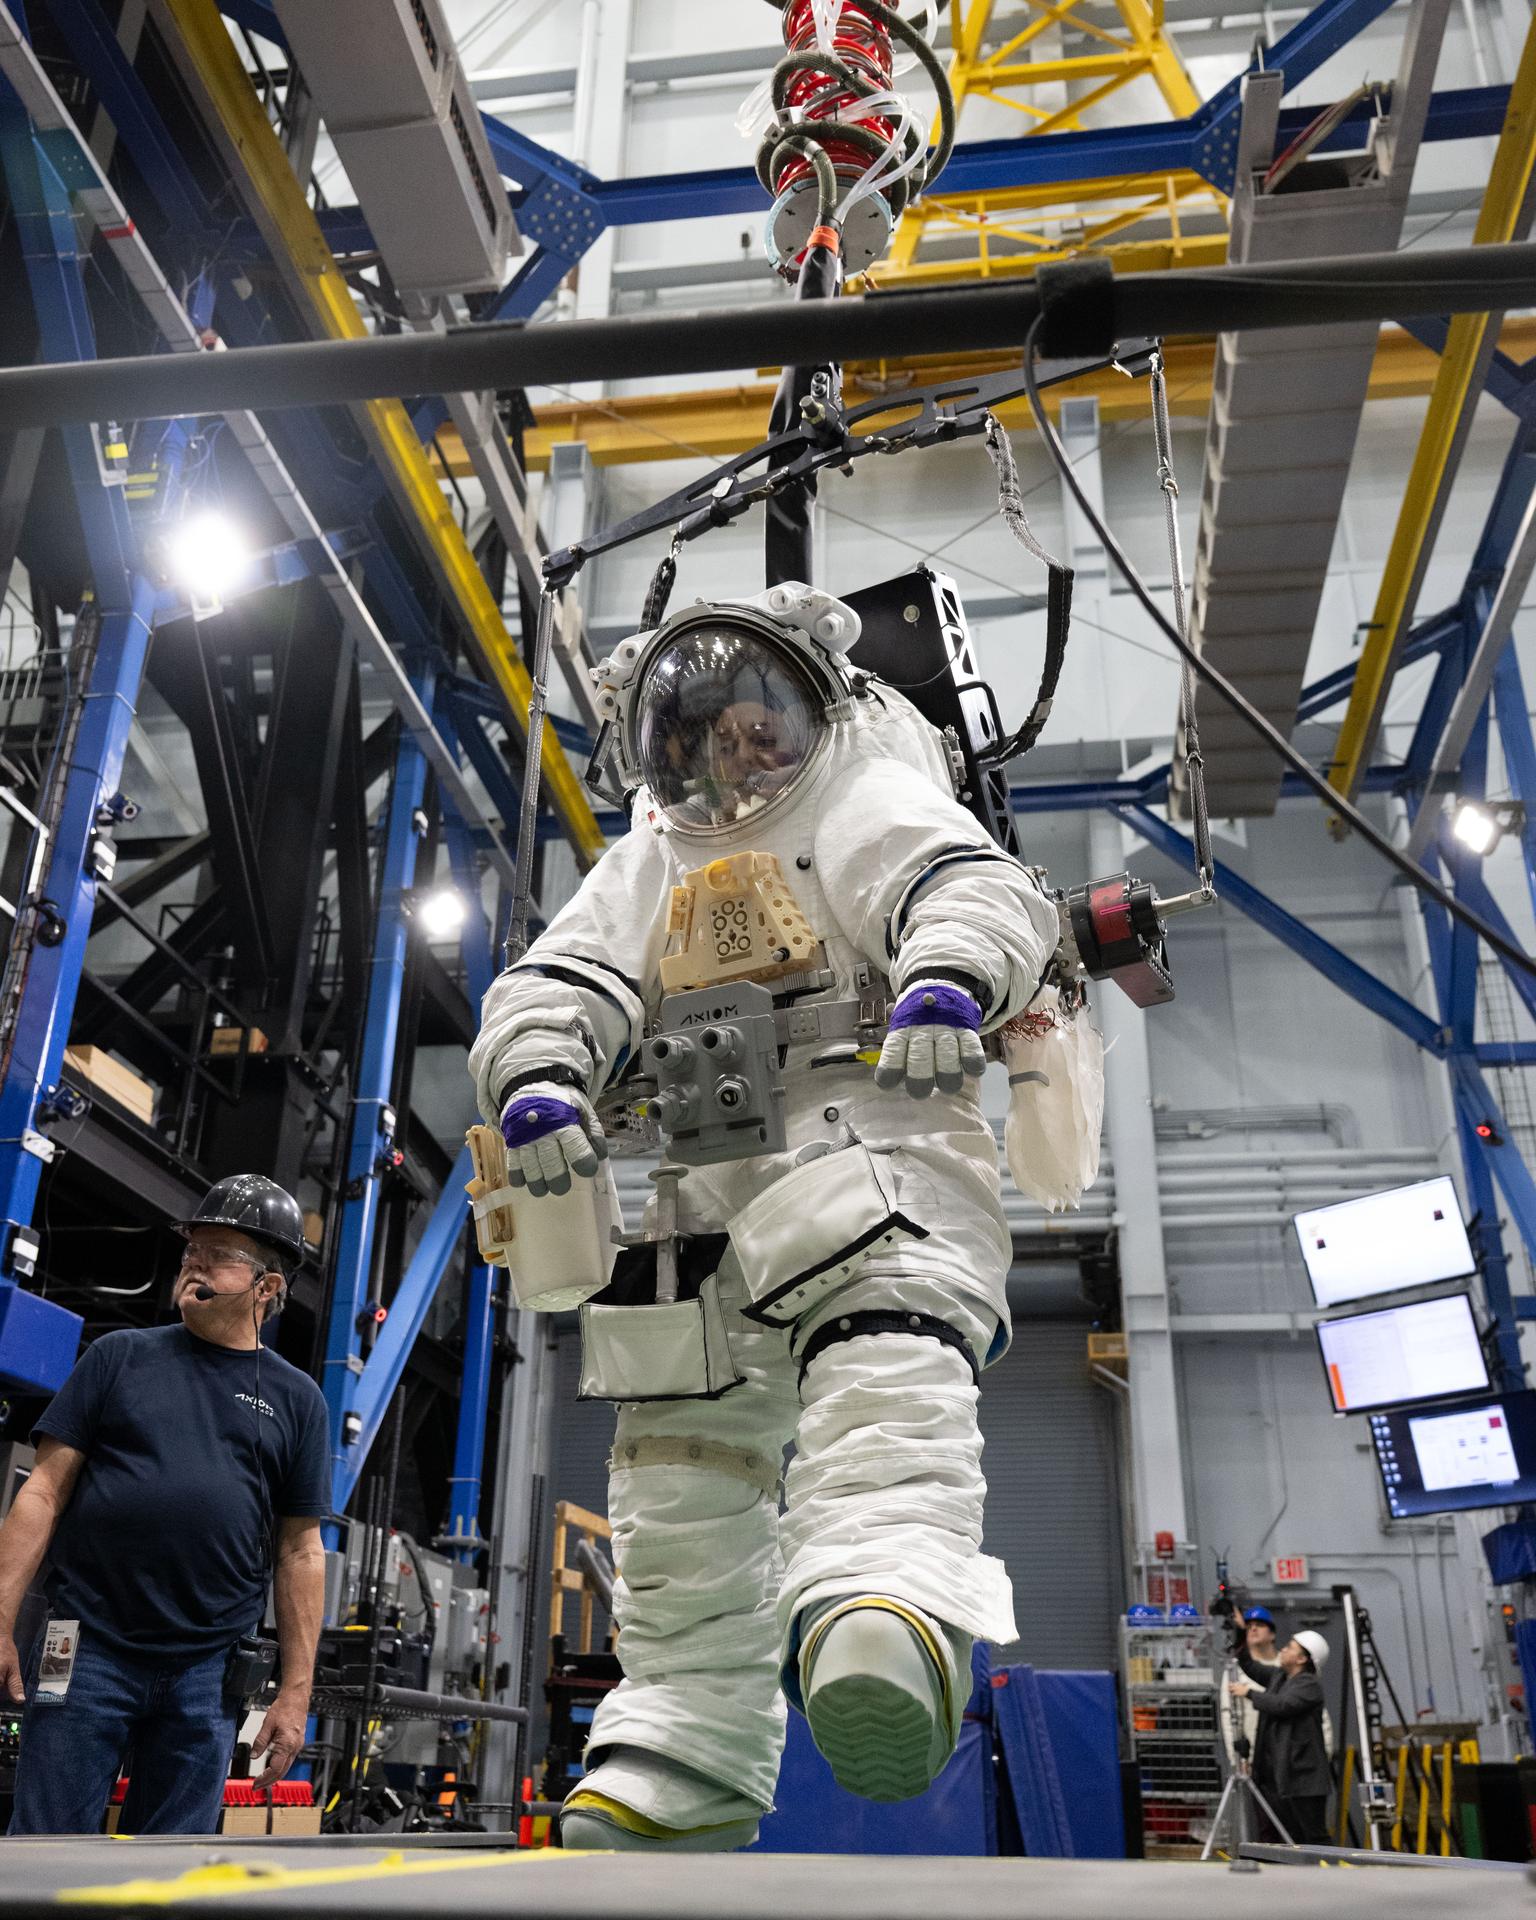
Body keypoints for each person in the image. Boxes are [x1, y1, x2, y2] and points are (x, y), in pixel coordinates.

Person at [471, 585, 1061, 1849]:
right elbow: (559, 978)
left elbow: (963, 883)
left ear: (810, 714)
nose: (740, 758)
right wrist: (536, 1077)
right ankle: (687, 1739)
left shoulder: (856, 796)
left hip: (873, 1128)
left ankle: (880, 1607)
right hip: (703, 1175)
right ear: (670, 753)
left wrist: (948, 980)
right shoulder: (657, 857)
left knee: (883, 1366)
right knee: (678, 1459)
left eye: (758, 725)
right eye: (708, 739)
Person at [0, 1176, 330, 1835]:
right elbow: (42, 1492)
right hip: (84, 1644)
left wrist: (296, 1693)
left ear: (268, 1287)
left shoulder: (299, 1402)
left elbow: (300, 1549)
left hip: (208, 1670)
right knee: (43, 1846)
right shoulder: (118, 1358)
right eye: (192, 1249)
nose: (195, 1262)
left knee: (171, 1872)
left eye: (219, 1252)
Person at [1229, 1629, 1332, 1844]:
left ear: (1302, 1659)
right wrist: (1240, 1632)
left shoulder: (1309, 1684)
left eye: (1290, 1648)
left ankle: (1327, 1874)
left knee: (1312, 1836)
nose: (1283, 1649)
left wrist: (1248, 1692)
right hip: (1284, 1776)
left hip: (1304, 1780)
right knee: (1291, 1835)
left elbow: (1283, 1705)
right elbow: (1250, 1666)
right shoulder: (1280, 1678)